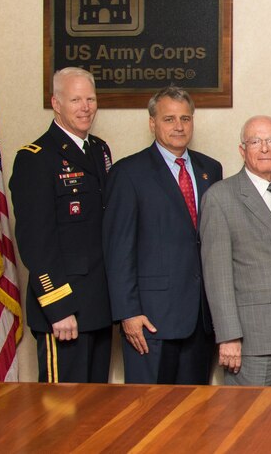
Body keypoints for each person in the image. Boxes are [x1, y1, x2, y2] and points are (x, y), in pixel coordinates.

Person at [104, 87, 223, 384]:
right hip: (151, 320)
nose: (179, 126)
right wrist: (128, 313)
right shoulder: (128, 173)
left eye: (185, 118)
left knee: (195, 414)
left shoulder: (211, 169)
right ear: (152, 123)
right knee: (148, 414)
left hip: (201, 319)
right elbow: (118, 249)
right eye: (169, 119)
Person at [9, 67, 113, 383]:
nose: (85, 107)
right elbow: (35, 242)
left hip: (99, 305)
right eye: (75, 99)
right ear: (56, 103)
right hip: (64, 309)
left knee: (97, 412)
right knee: (62, 415)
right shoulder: (36, 158)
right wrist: (58, 307)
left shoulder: (99, 150)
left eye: (91, 99)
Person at [200, 116, 271, 386]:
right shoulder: (220, 197)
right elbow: (217, 274)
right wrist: (228, 336)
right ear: (242, 150)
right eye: (255, 141)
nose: (264, 148)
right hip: (252, 337)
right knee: (251, 423)